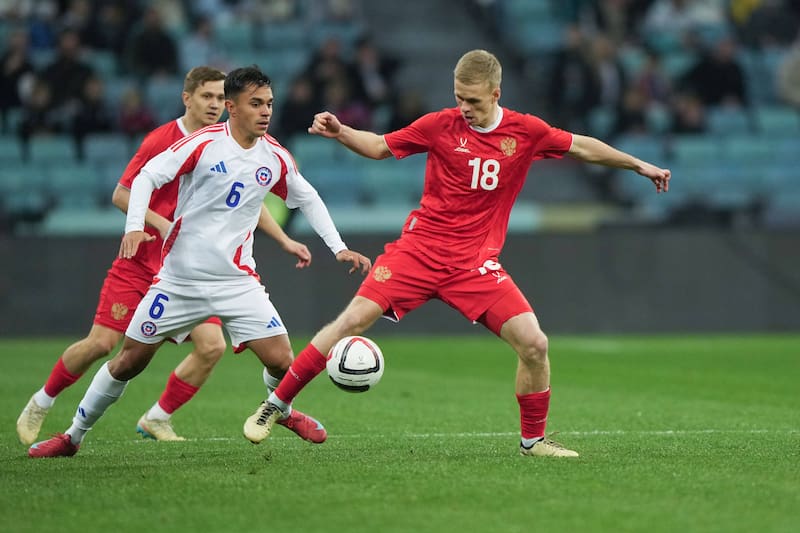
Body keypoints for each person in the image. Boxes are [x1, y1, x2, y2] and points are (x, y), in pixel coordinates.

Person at [242, 49, 671, 457]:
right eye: (458, 97)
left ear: (496, 94)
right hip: (419, 252)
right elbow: (378, 147)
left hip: (475, 266)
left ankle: (533, 441)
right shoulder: (439, 125)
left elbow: (582, 146)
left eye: (472, 99)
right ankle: (276, 404)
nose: (463, 106)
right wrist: (342, 133)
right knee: (351, 319)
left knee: (535, 344)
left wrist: (638, 165)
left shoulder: (525, 132)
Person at [28, 65, 371, 458]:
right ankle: (72, 436)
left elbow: (306, 197)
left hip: (237, 282)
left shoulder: (274, 156)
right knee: (127, 362)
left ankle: (283, 410)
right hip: (179, 282)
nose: (265, 112)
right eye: (255, 104)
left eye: (269, 104)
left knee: (282, 360)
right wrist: (136, 226)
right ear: (232, 107)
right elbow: (145, 179)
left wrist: (337, 246)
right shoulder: (204, 144)